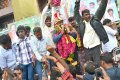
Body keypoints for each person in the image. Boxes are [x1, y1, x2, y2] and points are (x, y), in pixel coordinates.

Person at [74, 0, 109, 65]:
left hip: (96, 46)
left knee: (97, 64)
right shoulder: (81, 22)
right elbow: (76, 13)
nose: (88, 16)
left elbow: (102, 8)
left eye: (89, 14)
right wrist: (77, 2)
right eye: (86, 15)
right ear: (82, 17)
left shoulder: (95, 19)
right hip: (86, 48)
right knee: (90, 66)